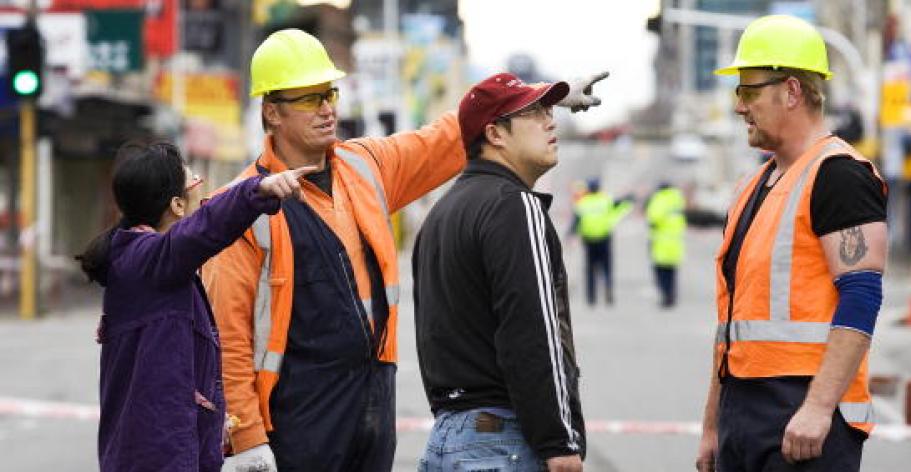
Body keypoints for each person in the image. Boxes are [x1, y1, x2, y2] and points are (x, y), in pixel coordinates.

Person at [202, 29, 607, 472]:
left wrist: (535, 102)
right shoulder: (240, 207)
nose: (326, 108)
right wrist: (245, 438)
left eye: (329, 93)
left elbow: (448, 137)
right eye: (307, 98)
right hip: (295, 418)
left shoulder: (365, 166)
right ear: (271, 112)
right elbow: (227, 337)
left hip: (370, 409)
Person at [695, 15, 888, 472]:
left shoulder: (839, 175)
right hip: (743, 412)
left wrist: (819, 408)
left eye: (748, 91)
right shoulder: (751, 186)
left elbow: (862, 295)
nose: (739, 106)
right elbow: (732, 329)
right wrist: (712, 425)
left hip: (803, 414)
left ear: (792, 91)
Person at [76, 141, 314, 472]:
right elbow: (205, 229)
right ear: (176, 205)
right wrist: (257, 190)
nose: (202, 197)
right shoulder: (147, 260)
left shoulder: (145, 260)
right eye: (195, 184)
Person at [413, 72, 588, 472]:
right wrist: (559, 441)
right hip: (504, 440)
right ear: (495, 134)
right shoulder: (515, 206)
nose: (551, 121)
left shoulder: (439, 216)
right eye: (535, 112)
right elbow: (532, 330)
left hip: (448, 438)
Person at [571, 179, 632, 306]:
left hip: (589, 240)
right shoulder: (606, 200)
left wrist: (570, 234)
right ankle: (608, 291)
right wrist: (629, 199)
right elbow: (621, 204)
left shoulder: (583, 202)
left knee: (590, 270)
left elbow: (576, 221)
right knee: (606, 268)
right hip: (604, 239)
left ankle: (591, 298)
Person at [644, 182, 686, 308]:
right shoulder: (677, 199)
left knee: (661, 272)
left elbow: (653, 219)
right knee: (672, 272)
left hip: (661, 242)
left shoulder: (659, 200)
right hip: (675, 242)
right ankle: (671, 296)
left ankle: (665, 296)